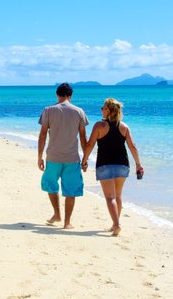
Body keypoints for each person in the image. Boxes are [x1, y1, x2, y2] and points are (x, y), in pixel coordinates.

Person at [82, 98, 143, 236]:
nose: (101, 110)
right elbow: (132, 146)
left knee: (110, 198)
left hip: (105, 165)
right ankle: (115, 223)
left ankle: (116, 225)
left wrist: (84, 161)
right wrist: (138, 164)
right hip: (122, 165)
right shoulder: (124, 127)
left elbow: (90, 145)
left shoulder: (99, 126)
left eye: (103, 108)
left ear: (109, 111)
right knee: (118, 196)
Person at [38, 83, 89, 229]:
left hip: (53, 157)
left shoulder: (48, 110)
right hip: (72, 158)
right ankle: (67, 222)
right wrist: (85, 159)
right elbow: (83, 138)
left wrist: (39, 157)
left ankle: (56, 214)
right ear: (70, 96)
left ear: (57, 94)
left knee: (50, 185)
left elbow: (42, 136)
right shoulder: (79, 111)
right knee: (71, 190)